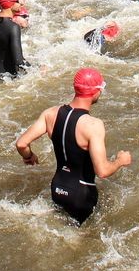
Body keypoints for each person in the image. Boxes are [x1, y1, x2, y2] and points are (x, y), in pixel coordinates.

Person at [13, 68, 132, 225]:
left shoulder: (50, 114)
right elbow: (102, 171)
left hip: (57, 188)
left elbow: (21, 144)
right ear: (96, 91)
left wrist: (29, 156)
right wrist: (120, 161)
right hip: (81, 195)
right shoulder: (93, 125)